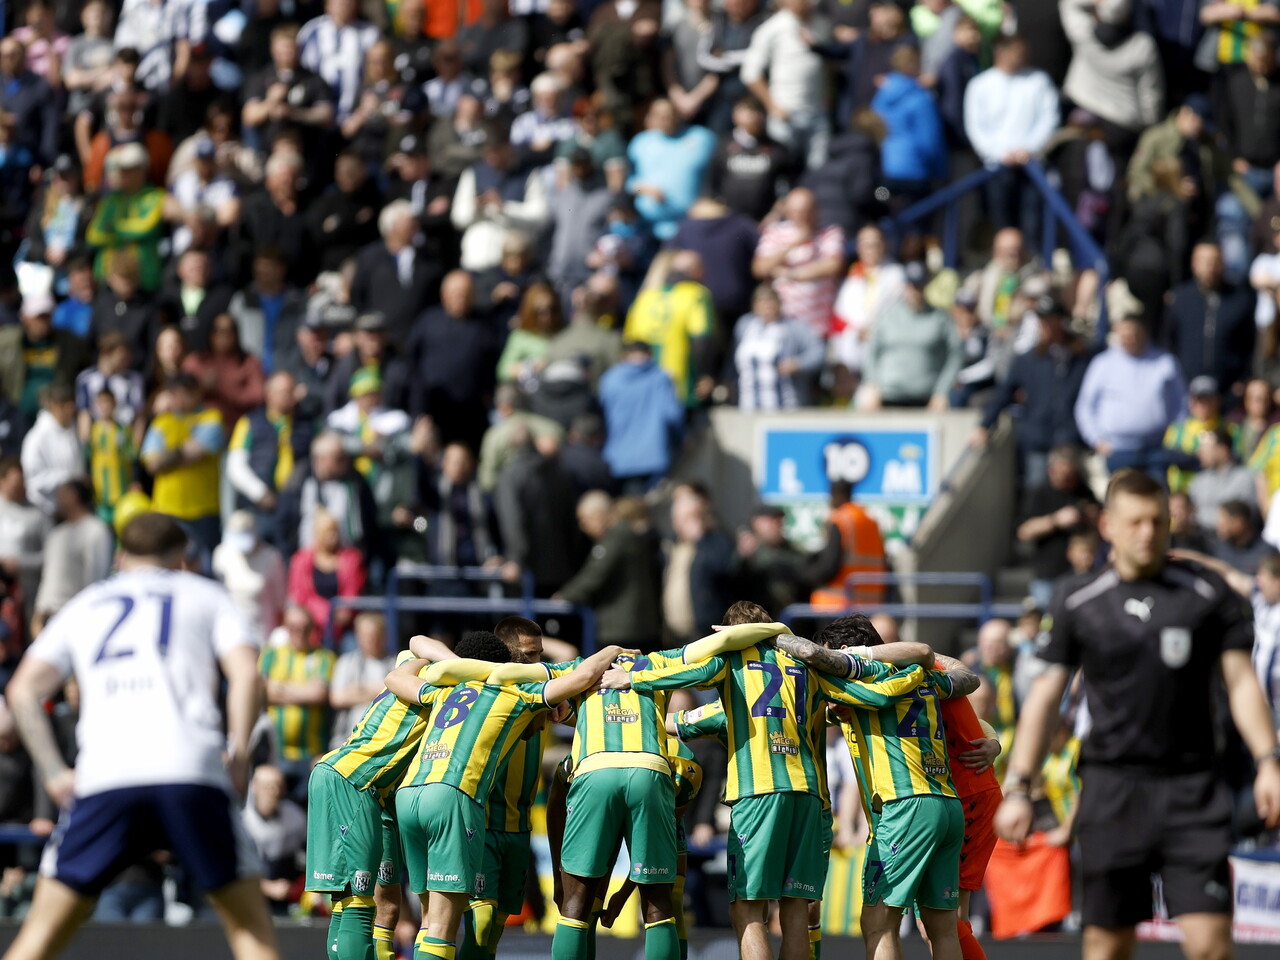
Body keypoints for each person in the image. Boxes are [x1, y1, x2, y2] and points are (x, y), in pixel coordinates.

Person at [996, 469, 1280, 960]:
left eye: (1157, 521)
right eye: (1134, 522)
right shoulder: (1077, 599)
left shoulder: (1207, 593)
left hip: (1192, 790)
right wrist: (1019, 786)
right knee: (1107, 947)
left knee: (1212, 946)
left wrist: (1269, 760)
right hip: (1112, 791)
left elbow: (1241, 681)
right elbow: (1045, 697)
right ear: (1107, 525)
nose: (1147, 533)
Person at [2, 513, 279, 960]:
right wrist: (240, 757)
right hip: (190, 770)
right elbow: (248, 675)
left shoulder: (87, 603)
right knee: (251, 934)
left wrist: (54, 772)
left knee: (40, 937)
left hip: (106, 775)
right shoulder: (206, 595)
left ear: (120, 557)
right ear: (182, 557)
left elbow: (21, 690)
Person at [599, 622, 930, 960]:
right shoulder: (816, 675)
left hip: (762, 797)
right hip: (814, 806)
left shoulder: (736, 682)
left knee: (750, 910)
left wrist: (624, 695)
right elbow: (917, 669)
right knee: (802, 911)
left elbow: (678, 716)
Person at [387, 634, 626, 960]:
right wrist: (612, 649)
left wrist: (426, 663)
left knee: (434, 920)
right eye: (529, 655)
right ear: (507, 660)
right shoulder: (515, 691)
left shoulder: (447, 687)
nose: (536, 662)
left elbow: (403, 662)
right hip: (462, 803)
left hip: (417, 796)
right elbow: (582, 675)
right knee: (452, 926)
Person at [778, 618, 981, 960]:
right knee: (942, 927)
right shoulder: (923, 676)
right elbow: (966, 677)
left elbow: (816, 670)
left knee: (878, 921)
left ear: (845, 653)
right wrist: (992, 739)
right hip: (946, 806)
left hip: (905, 806)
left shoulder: (865, 675)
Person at [962, 34, 1061, 238]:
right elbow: (975, 126)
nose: (1022, 56)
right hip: (996, 166)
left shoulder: (1039, 80)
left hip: (1032, 164)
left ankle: (1034, 260)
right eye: (1017, 51)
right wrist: (998, 154)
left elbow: (1049, 118)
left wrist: (1030, 149)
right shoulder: (980, 84)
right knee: (1000, 221)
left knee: (1032, 219)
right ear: (1001, 52)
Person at [1074, 315, 1188, 477]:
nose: (1128, 339)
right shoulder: (1103, 363)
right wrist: (1096, 439)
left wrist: (1177, 437)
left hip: (1157, 448)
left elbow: (1181, 402)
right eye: (1123, 335)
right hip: (1118, 450)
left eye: (1133, 334)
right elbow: (1085, 406)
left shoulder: (1164, 362)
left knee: (1157, 497)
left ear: (1144, 334)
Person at [555, 492, 664, 651]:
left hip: (623, 631)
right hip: (639, 626)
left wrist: (564, 596)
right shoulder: (628, 534)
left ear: (599, 515)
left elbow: (593, 576)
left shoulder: (614, 539)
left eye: (585, 520)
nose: (582, 526)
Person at [740, 0, 833, 171]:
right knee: (784, 172)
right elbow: (750, 74)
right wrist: (772, 106)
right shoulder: (772, 28)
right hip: (786, 115)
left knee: (819, 172)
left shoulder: (823, 25)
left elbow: (828, 65)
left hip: (817, 113)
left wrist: (828, 95)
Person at [140, 372, 225, 559]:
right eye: (174, 394)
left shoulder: (212, 417)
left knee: (205, 566)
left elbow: (196, 452)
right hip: (166, 508)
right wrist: (183, 450)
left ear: (196, 393)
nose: (177, 399)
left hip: (203, 510)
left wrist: (169, 456)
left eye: (183, 393)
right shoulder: (161, 422)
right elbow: (152, 465)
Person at [859, 261, 963, 410]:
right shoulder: (887, 315)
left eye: (919, 285)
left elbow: (956, 354)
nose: (915, 291)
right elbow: (872, 351)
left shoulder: (940, 318)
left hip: (926, 398)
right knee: (864, 400)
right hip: (887, 395)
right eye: (912, 285)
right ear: (904, 286)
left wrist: (942, 390)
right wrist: (871, 383)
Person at [260, 603, 337, 802]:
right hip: (275, 752)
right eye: (293, 628)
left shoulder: (324, 657)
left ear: (312, 629)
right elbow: (261, 692)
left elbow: (319, 694)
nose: (299, 633)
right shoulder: (272, 654)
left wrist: (279, 688)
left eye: (304, 628)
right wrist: (303, 690)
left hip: (311, 753)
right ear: (285, 628)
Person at [227, 371, 310, 546]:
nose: (290, 397)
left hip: (297, 506)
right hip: (260, 508)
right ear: (269, 394)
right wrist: (260, 493)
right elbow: (235, 465)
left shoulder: (308, 423)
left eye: (292, 391)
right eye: (284, 392)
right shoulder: (250, 422)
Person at [623, 251, 715, 407]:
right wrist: (705, 375)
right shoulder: (696, 294)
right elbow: (701, 340)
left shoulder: (644, 297)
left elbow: (629, 343)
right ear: (697, 271)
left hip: (642, 388)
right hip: (679, 387)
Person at [753, 187, 846, 340]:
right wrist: (794, 244)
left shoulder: (830, 232)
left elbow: (833, 265)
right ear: (788, 211)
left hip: (818, 326)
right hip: (782, 324)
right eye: (797, 212)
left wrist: (790, 273)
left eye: (807, 211)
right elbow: (760, 268)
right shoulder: (775, 232)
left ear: (816, 210)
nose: (802, 217)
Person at [1165, 242, 1257, 392]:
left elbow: (1249, 344)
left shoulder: (1240, 300)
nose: (1210, 266)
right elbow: (1169, 340)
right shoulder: (1180, 299)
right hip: (1185, 390)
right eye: (1204, 261)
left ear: (1223, 263)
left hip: (1226, 391)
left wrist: (1242, 379)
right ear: (1194, 264)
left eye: (1215, 261)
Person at [1017, 446, 1100, 610]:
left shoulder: (1083, 491)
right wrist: (1055, 520)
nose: (1069, 481)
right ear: (1051, 470)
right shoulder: (1040, 493)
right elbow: (1024, 531)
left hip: (1080, 573)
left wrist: (1090, 517)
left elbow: (1099, 521)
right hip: (1048, 576)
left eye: (1071, 476)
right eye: (1064, 476)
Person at [29, 480, 113, 636]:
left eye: (60, 495)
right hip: (47, 622)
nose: (56, 501)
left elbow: (96, 579)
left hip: (78, 620)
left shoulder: (96, 530)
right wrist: (38, 615)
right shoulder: (56, 534)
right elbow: (48, 578)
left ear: (73, 496)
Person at [733, 284, 825, 411]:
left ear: (779, 304)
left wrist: (798, 363)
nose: (767, 307)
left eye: (771, 302)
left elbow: (818, 351)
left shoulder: (794, 327)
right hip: (749, 403)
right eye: (762, 302)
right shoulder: (744, 325)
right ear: (754, 306)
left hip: (784, 404)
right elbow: (734, 359)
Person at [287, 509, 366, 647]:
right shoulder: (300, 560)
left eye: (335, 531)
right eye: (328, 531)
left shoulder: (352, 558)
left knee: (351, 645)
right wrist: (327, 614)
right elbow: (300, 595)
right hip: (310, 626)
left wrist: (337, 617)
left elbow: (351, 595)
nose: (333, 536)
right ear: (317, 533)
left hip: (343, 628)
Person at [211, 510, 288, 647]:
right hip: (231, 636)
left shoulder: (272, 558)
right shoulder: (221, 554)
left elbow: (280, 603)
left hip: (263, 636)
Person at [809, 479, 887, 607]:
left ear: (838, 495)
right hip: (871, 604)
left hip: (838, 604)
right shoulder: (871, 521)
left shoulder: (841, 520)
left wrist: (808, 576)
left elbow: (828, 567)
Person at [242, 765, 307, 916]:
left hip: (289, 888)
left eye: (278, 786)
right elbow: (236, 872)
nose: (274, 792)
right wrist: (268, 888)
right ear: (255, 787)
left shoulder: (295, 816)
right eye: (267, 787)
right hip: (255, 892)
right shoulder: (244, 824)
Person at [328, 612, 395, 748]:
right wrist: (384, 690)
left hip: (386, 740)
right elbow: (338, 698)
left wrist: (359, 690)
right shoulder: (346, 662)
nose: (372, 640)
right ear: (358, 636)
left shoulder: (396, 663)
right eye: (367, 636)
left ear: (384, 635)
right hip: (347, 739)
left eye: (376, 635)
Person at [20, 384, 83, 517]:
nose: (70, 408)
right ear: (53, 406)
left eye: (72, 403)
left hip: (73, 508)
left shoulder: (74, 430)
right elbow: (34, 479)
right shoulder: (36, 437)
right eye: (65, 404)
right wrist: (69, 478)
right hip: (46, 510)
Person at [1189, 427, 1258, 522]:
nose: (1199, 453)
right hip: (1199, 535)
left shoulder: (1245, 478)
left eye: (1205, 449)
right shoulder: (1198, 481)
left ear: (1223, 450)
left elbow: (1244, 518)